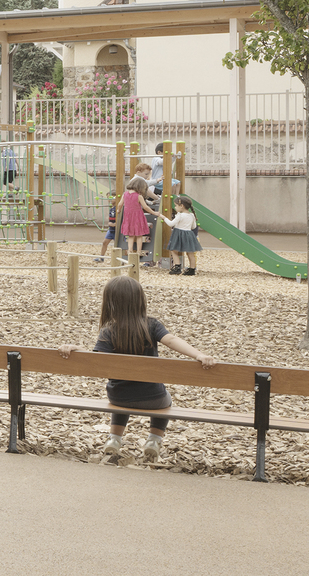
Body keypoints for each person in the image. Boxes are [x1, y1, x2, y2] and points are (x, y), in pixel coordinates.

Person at [59, 274, 217, 464]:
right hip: (154, 399)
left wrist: (78, 350)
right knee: (167, 401)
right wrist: (198, 355)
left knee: (122, 393)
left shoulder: (109, 331)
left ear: (109, 303)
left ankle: (114, 439)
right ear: (140, 300)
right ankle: (154, 440)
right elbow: (172, 340)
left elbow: (98, 361)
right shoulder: (152, 325)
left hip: (119, 398)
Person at [163, 194, 202, 275]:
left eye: (176, 205)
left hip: (178, 234)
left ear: (182, 206)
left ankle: (177, 267)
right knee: (190, 252)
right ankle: (192, 269)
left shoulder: (180, 215)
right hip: (189, 234)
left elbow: (171, 224)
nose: (175, 207)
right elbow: (193, 226)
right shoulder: (191, 215)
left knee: (174, 251)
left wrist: (163, 217)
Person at [119, 177, 152, 264]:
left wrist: (118, 211)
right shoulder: (139, 196)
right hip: (137, 217)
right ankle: (138, 252)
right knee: (139, 235)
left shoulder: (125, 194)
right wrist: (154, 212)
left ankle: (130, 251)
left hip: (128, 217)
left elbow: (120, 204)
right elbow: (145, 207)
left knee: (130, 235)